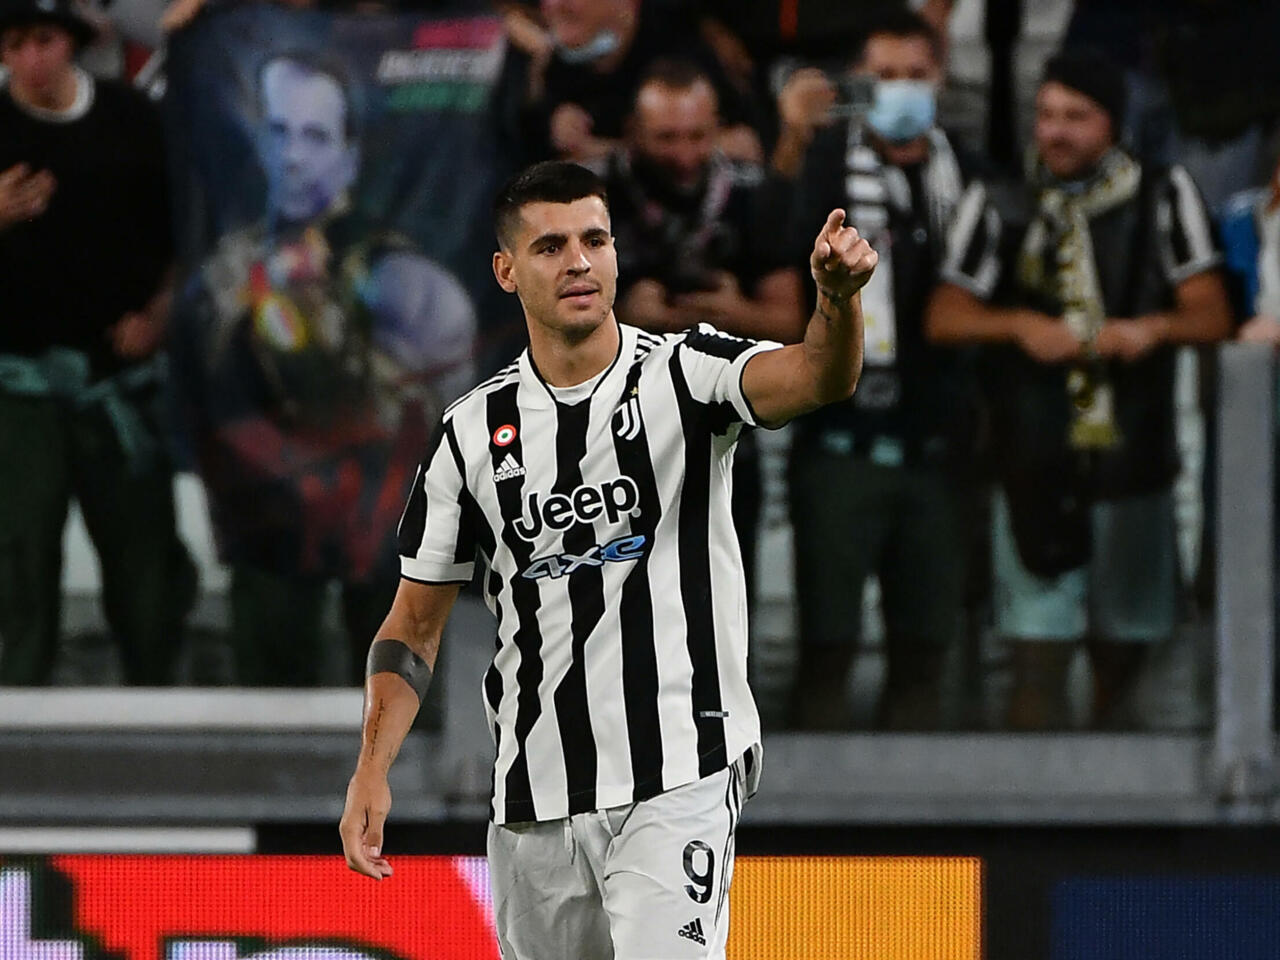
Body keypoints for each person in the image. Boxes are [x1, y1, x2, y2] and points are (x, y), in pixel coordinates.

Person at [338, 161, 876, 958]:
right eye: (551, 246)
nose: (579, 262)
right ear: (506, 271)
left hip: (679, 769)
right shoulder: (470, 433)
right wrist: (370, 769)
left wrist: (836, 300)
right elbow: (412, 626)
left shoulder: (687, 374)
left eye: (595, 240)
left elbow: (817, 377)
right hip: (533, 797)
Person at [926, 50, 1232, 730]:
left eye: (1075, 117)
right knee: (1034, 657)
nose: (1055, 132)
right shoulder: (1001, 199)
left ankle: (1113, 789)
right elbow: (944, 317)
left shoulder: (1162, 194)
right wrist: (1020, 326)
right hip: (1030, 460)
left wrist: (1150, 329)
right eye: (1046, 115)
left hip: (1133, 459)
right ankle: (1029, 794)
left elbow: (1213, 314)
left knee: (1124, 658)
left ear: (1113, 125)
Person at [171, 50, 476, 686]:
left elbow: (444, 420)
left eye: (314, 136)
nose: (292, 155)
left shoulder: (404, 277)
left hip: (381, 516)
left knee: (397, 701)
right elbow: (209, 397)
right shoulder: (227, 272)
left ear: (349, 155)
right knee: (269, 704)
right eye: (279, 131)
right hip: (268, 514)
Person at [774, 10, 976, 730]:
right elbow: (772, 248)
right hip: (841, 442)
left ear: (941, 77)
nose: (902, 90)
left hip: (939, 449)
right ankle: (815, 798)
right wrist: (791, 138)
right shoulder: (824, 163)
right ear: (860, 80)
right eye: (885, 75)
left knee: (925, 656)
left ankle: (918, 799)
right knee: (826, 650)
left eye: (915, 74)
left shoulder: (967, 171)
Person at [0, 0, 195, 684]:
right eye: (15, 45)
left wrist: (160, 316)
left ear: (72, 43)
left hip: (121, 381)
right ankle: (16, 712)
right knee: (20, 559)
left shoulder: (131, 119)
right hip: (18, 387)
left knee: (144, 564)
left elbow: (185, 235)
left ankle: (157, 702)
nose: (31, 60)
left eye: (44, 40)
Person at [603, 58, 805, 610]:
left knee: (723, 612)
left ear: (719, 128)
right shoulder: (590, 196)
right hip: (611, 440)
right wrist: (616, 313)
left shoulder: (753, 195)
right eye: (666, 138)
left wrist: (728, 311)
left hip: (722, 436)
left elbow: (789, 322)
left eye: (698, 136)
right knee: (619, 616)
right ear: (632, 131)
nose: (685, 155)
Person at [505, 0, 764, 167]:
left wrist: (603, 152)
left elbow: (745, 144)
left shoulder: (684, 52)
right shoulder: (544, 62)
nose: (554, 5)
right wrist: (550, 121)